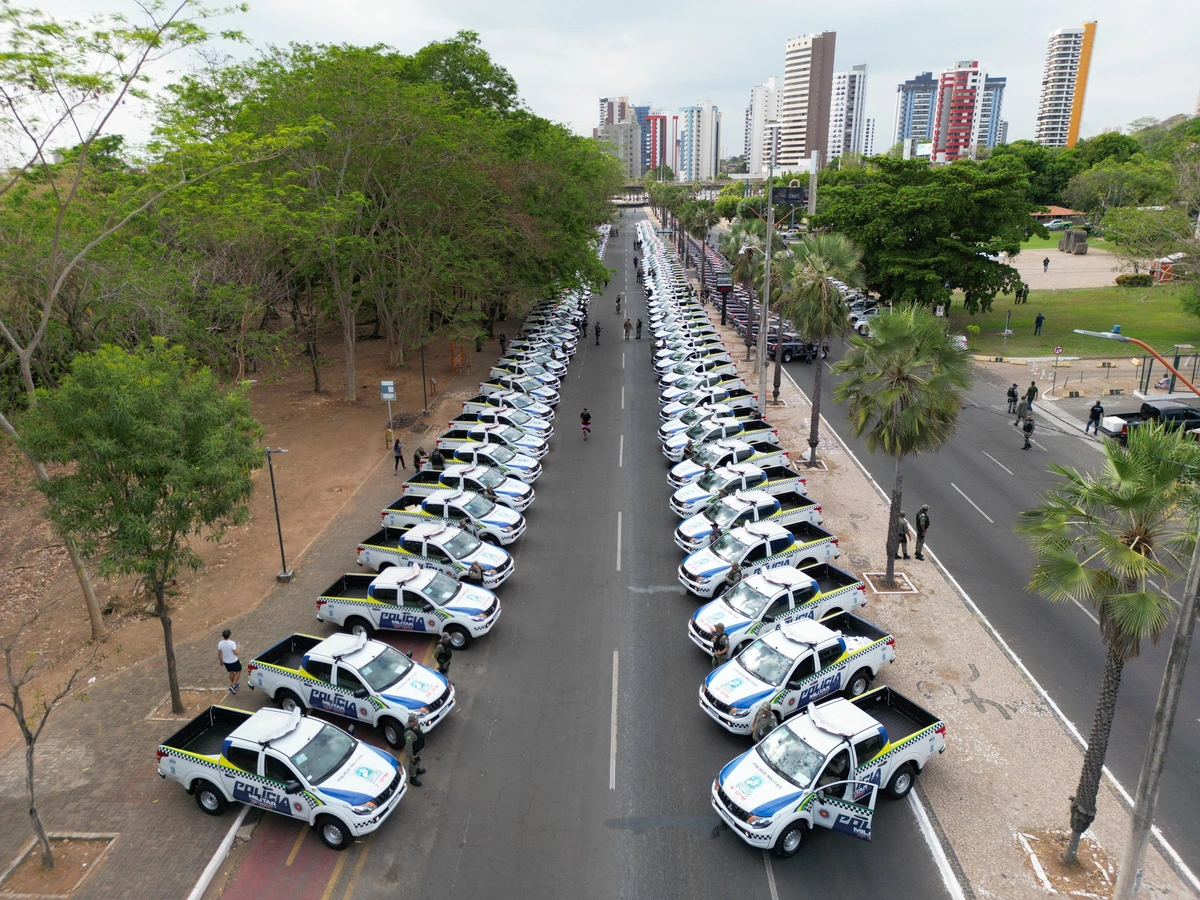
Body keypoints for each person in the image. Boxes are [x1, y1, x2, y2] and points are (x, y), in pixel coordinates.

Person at [403, 715, 426, 786]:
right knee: (413, 763)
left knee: (419, 760)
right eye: (416, 721)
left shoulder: (415, 725)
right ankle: (413, 778)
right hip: (414, 752)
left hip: (418, 749)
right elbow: (408, 746)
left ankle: (417, 770)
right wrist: (411, 757)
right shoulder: (409, 733)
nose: (418, 722)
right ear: (411, 722)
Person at [217, 629, 241, 694]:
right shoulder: (232, 643)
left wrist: (221, 661)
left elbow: (219, 654)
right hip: (234, 660)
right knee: (238, 671)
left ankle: (234, 684)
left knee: (231, 672)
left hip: (226, 661)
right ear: (229, 635)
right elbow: (237, 653)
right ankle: (233, 686)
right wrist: (238, 647)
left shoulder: (220, 643)